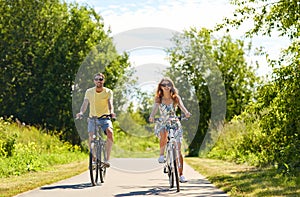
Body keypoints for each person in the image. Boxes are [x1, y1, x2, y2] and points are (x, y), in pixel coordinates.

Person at [149, 77, 191, 183]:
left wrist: (186, 112)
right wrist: (152, 116)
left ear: (171, 86)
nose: (166, 86)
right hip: (163, 122)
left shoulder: (175, 97)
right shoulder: (159, 98)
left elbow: (182, 106)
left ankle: (181, 174)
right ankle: (162, 155)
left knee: (178, 150)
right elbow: (154, 109)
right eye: (164, 85)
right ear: (161, 87)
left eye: (168, 84)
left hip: (174, 122)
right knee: (163, 133)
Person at [76, 73, 115, 167]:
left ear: (103, 80)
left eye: (101, 79)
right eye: (97, 79)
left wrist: (112, 112)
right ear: (94, 81)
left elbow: (110, 103)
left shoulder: (108, 91)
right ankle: (93, 159)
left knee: (110, 133)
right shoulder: (89, 92)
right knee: (91, 136)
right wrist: (81, 112)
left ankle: (107, 159)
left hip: (105, 118)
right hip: (93, 118)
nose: (99, 81)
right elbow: (85, 103)